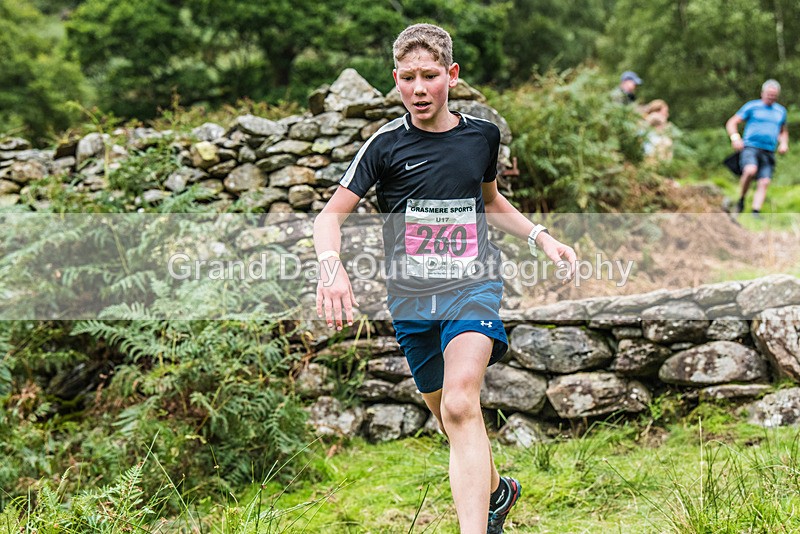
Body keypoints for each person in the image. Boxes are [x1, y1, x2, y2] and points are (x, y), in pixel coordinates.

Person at [313, 23, 576, 533]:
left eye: (429, 75)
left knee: (459, 401)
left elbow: (491, 201)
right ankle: (498, 492)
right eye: (407, 77)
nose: (418, 88)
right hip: (411, 303)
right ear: (395, 80)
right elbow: (329, 216)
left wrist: (541, 236)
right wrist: (331, 267)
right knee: (450, 417)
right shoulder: (383, 146)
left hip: (473, 287)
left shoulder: (481, 136)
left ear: (451, 76)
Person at [725, 79, 789, 216]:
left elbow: (783, 131)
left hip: (769, 150)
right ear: (762, 93)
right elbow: (732, 122)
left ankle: (755, 212)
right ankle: (741, 200)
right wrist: (735, 138)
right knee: (750, 170)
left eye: (774, 95)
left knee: (765, 181)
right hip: (751, 147)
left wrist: (783, 143)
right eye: (768, 94)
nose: (771, 97)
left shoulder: (780, 111)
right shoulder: (752, 106)